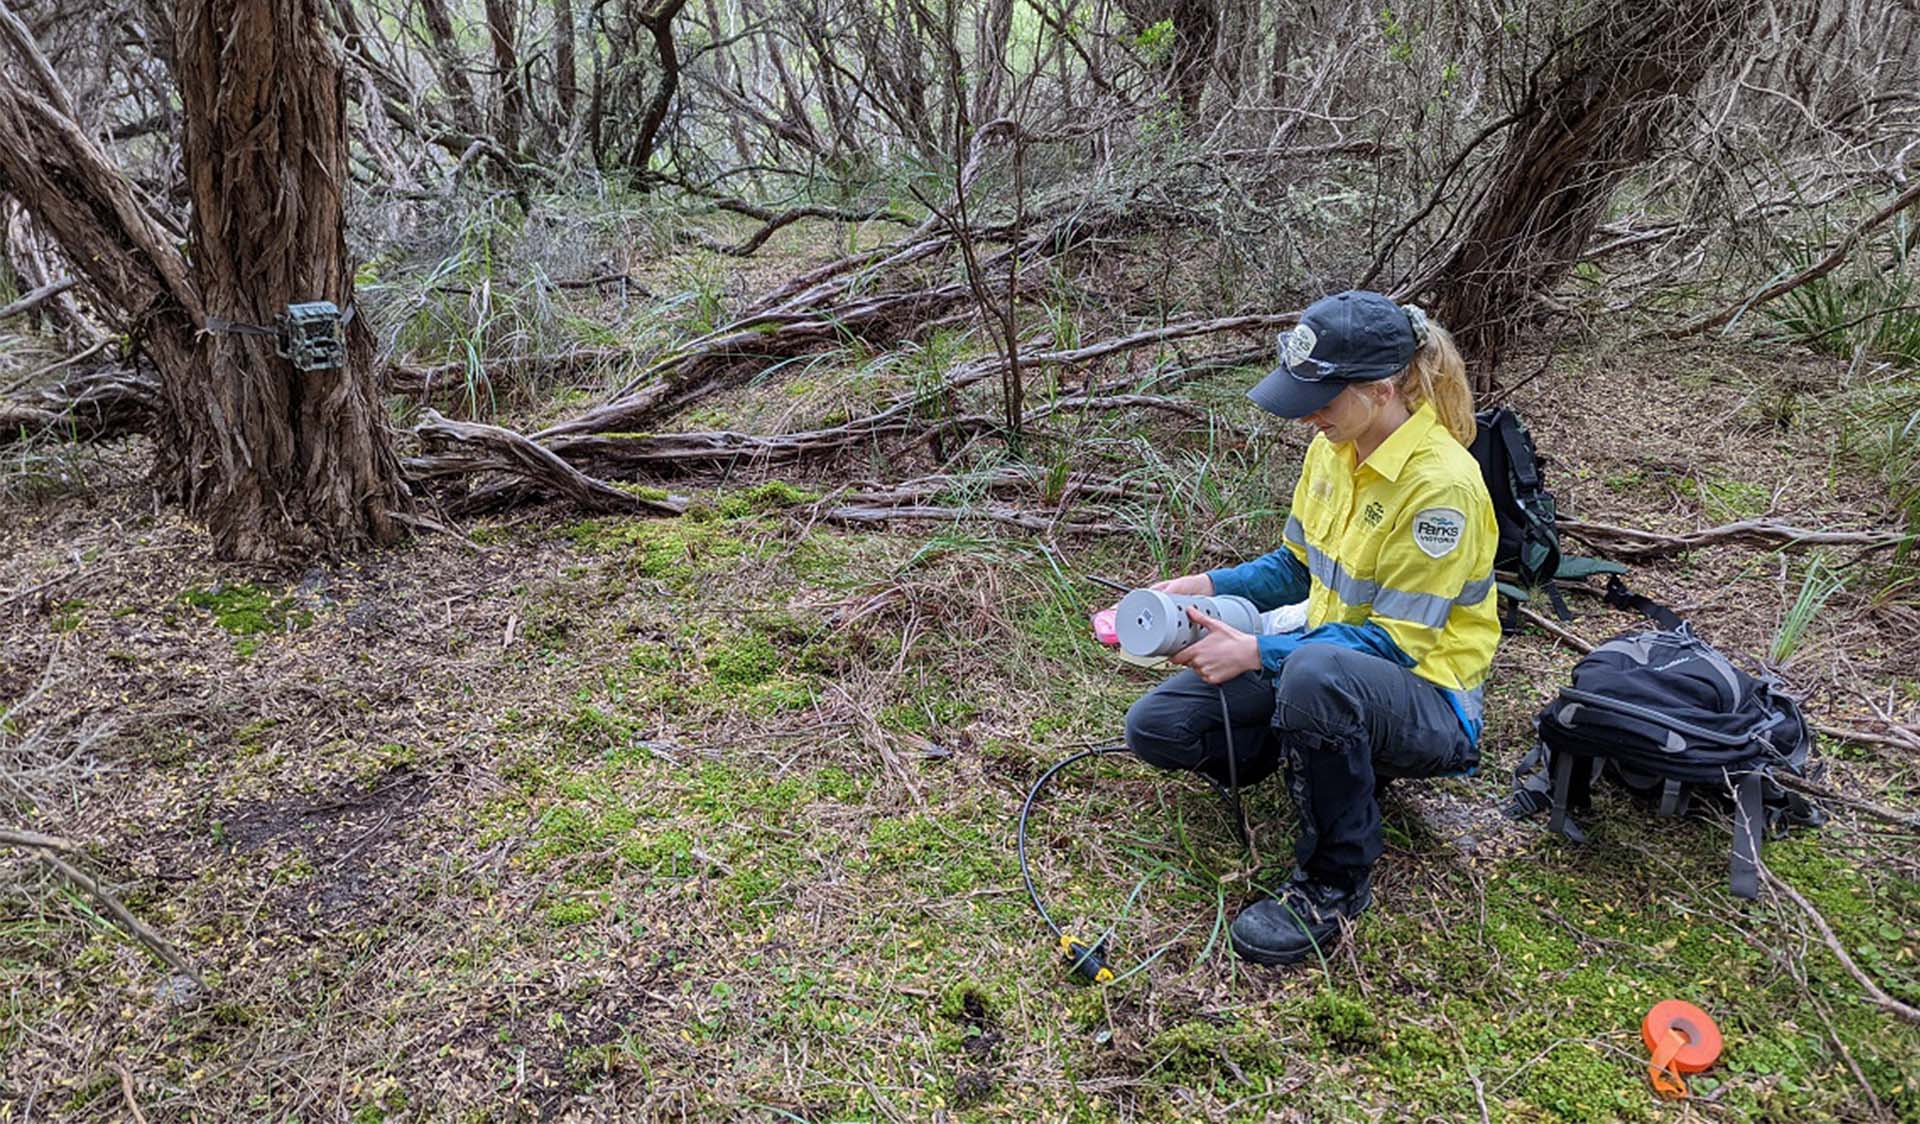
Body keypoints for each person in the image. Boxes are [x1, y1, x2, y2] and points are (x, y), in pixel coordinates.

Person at [1124, 290, 1499, 966]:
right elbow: (1294, 568)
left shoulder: (1442, 487)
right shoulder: (1336, 447)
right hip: (1321, 667)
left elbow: (1395, 643)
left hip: (1427, 699)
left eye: (1324, 398)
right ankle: (1318, 754)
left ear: (1383, 389)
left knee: (1313, 677)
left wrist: (1259, 652)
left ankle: (1333, 882)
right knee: (1158, 729)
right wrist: (1205, 586)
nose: (1311, 416)